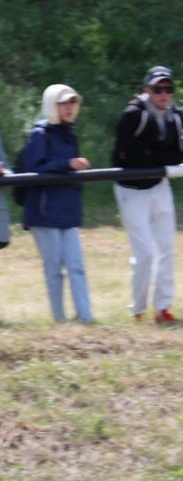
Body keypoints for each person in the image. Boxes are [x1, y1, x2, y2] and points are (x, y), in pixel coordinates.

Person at [111, 65, 183, 324]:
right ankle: (138, 310)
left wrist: (148, 158)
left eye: (168, 88)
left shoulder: (177, 116)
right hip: (131, 189)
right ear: (146, 90)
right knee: (145, 253)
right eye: (158, 89)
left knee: (167, 248)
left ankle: (163, 308)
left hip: (159, 186)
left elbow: (179, 155)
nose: (164, 94)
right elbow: (123, 152)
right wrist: (153, 159)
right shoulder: (132, 115)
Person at [17, 84, 94, 324]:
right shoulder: (40, 134)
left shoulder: (70, 134)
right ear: (52, 105)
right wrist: (67, 164)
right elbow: (34, 170)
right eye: (63, 103)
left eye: (72, 103)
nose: (69, 108)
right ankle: (60, 321)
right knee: (54, 270)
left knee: (76, 266)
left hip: (67, 211)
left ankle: (86, 317)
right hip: (43, 212)